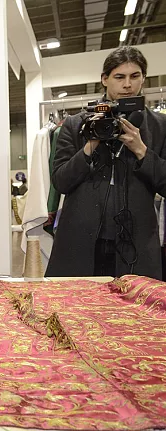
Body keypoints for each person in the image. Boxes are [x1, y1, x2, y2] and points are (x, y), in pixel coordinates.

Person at [47, 47, 166, 279]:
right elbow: (60, 182)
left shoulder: (159, 127)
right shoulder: (75, 124)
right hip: (79, 240)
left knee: (134, 302)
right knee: (78, 300)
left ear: (143, 78)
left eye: (135, 76)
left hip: (136, 242)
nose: (127, 85)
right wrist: (90, 144)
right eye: (119, 77)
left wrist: (141, 150)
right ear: (104, 79)